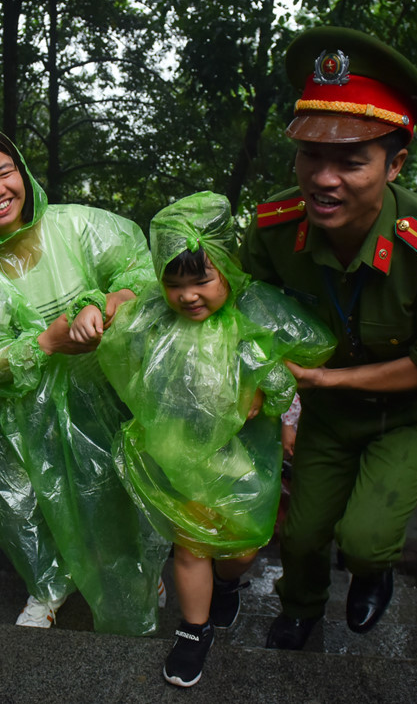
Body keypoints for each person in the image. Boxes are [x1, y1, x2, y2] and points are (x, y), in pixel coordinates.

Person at [239, 26, 417, 650]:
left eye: (350, 162)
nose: (323, 179)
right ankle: (300, 609)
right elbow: (252, 316)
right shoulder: (274, 228)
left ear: (394, 163)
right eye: (309, 157)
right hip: (328, 413)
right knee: (299, 534)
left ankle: (373, 573)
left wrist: (327, 379)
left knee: (365, 538)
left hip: (410, 412)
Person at [0, 123, 166, 635]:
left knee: (122, 487)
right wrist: (48, 343)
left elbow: (141, 274)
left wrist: (103, 305)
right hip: (23, 414)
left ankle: (144, 571)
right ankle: (48, 586)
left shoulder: (77, 226)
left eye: (3, 171)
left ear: (22, 171)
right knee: (24, 505)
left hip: (109, 392)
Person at [94, 192, 335, 686]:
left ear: (226, 268)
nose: (187, 296)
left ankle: (228, 587)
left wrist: (273, 399)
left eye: (201, 279)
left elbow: (301, 364)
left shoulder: (256, 316)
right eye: (174, 283)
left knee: (242, 549)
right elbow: (119, 329)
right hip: (182, 455)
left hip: (241, 456)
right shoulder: (154, 318)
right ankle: (193, 629)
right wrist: (102, 303)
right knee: (191, 547)